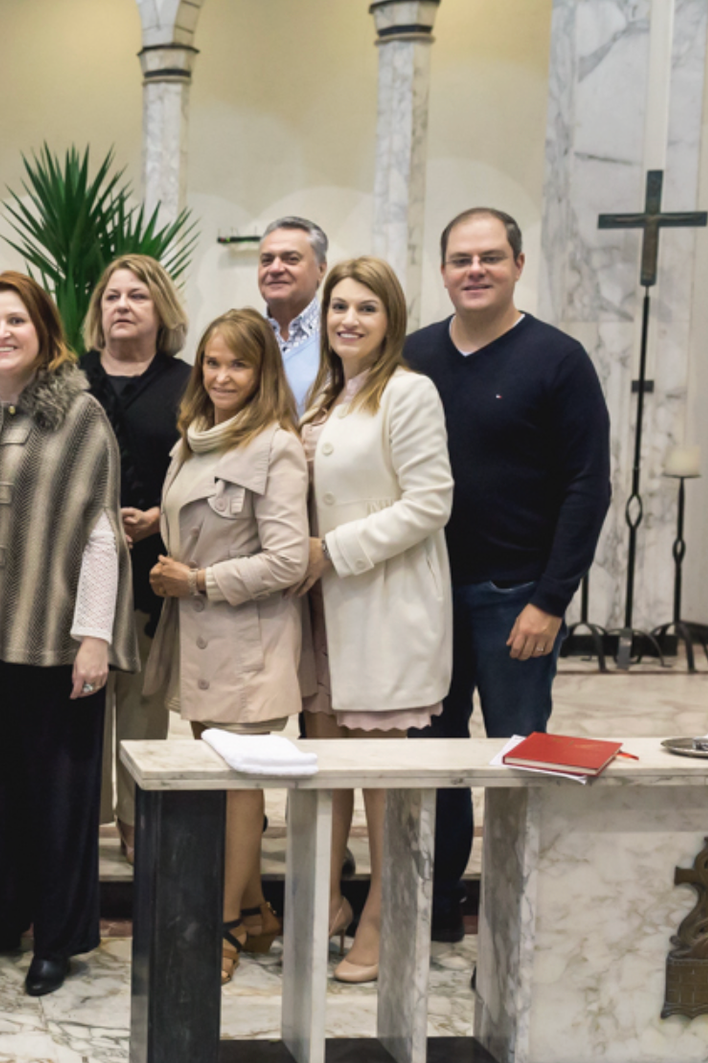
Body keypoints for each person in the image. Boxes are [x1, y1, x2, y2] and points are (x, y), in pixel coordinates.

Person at [406, 208, 611, 941]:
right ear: (442, 271)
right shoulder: (414, 355)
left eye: (491, 257)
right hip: (425, 597)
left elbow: (587, 486)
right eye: (461, 259)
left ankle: (516, 921)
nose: (475, 270)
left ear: (519, 265)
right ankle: (437, 910)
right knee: (435, 759)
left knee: (520, 756)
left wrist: (550, 600)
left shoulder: (558, 359)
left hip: (514, 598)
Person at [0, 271, 138, 996]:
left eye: (16, 321)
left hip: (53, 634)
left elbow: (101, 530)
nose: (1, 334)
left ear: (44, 330)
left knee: (57, 797)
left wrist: (95, 636)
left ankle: (57, 937)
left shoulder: (79, 413)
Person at [292, 256, 454, 984]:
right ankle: (327, 904)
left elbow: (430, 502)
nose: (349, 320)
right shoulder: (327, 396)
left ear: (391, 320)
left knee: (382, 781)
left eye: (366, 308)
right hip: (322, 612)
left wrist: (333, 549)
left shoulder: (409, 392)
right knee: (328, 768)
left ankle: (388, 918)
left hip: (383, 604)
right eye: (339, 307)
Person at [146, 309, 307, 984]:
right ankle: (258, 912)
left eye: (238, 364)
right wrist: (155, 523)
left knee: (239, 789)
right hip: (200, 639)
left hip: (247, 642)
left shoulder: (276, 446)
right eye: (212, 362)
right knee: (223, 783)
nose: (221, 376)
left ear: (263, 371)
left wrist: (199, 580)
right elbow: (201, 520)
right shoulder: (196, 437)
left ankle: (227, 926)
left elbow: (289, 560)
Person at [79, 254, 192, 863]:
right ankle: (84, 816)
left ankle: (137, 816)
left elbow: (205, 470)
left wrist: (158, 518)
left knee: (144, 698)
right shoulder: (68, 378)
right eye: (112, 296)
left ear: (161, 309)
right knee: (82, 694)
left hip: (155, 563)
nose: (122, 306)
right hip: (76, 567)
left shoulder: (189, 383)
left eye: (138, 296)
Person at [259, 217, 329, 414]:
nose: (275, 269)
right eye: (267, 260)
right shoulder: (243, 336)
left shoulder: (339, 337)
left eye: (291, 259)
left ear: (321, 269)